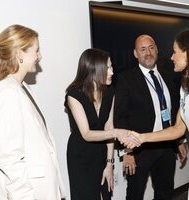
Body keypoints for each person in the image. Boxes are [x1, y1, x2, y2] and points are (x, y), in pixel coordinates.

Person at [0, 24, 65, 200]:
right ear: (19, 54)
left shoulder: (22, 88)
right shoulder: (7, 92)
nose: (40, 56)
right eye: (36, 50)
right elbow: (9, 158)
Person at [114, 34, 186, 200]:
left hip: (167, 147)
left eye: (151, 48)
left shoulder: (169, 75)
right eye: (143, 49)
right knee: (135, 195)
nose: (148, 53)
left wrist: (180, 140)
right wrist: (128, 151)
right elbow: (120, 117)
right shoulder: (126, 79)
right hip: (140, 150)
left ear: (157, 50)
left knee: (166, 193)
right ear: (135, 53)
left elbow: (176, 110)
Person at [64, 48, 140, 200]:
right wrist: (117, 133)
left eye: (111, 67)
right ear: (93, 70)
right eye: (107, 68)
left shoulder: (109, 91)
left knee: (106, 194)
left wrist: (109, 163)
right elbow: (87, 134)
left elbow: (109, 126)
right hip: (80, 156)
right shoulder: (74, 95)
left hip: (101, 153)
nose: (112, 72)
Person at [125, 30, 189, 149]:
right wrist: (141, 137)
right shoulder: (184, 89)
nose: (171, 57)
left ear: (186, 53)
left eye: (175, 52)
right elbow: (178, 129)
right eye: (142, 49)